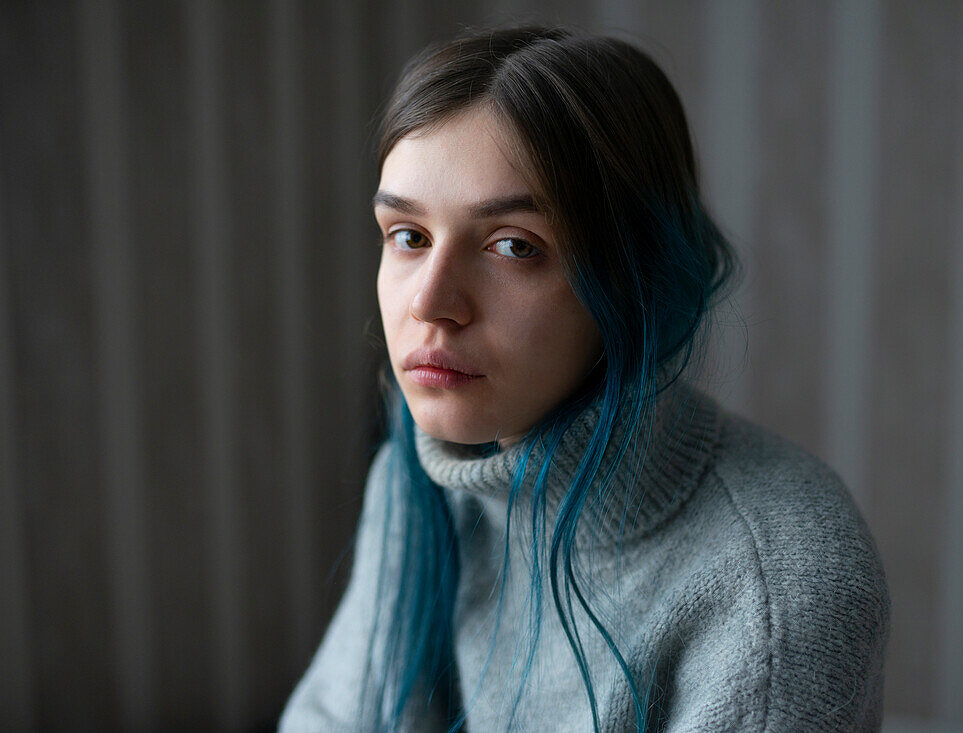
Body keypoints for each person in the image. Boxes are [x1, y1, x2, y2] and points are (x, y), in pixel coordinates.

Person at [280, 25, 890, 733]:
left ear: (635, 278)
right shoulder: (414, 485)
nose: (428, 302)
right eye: (408, 236)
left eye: (514, 246)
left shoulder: (780, 577)